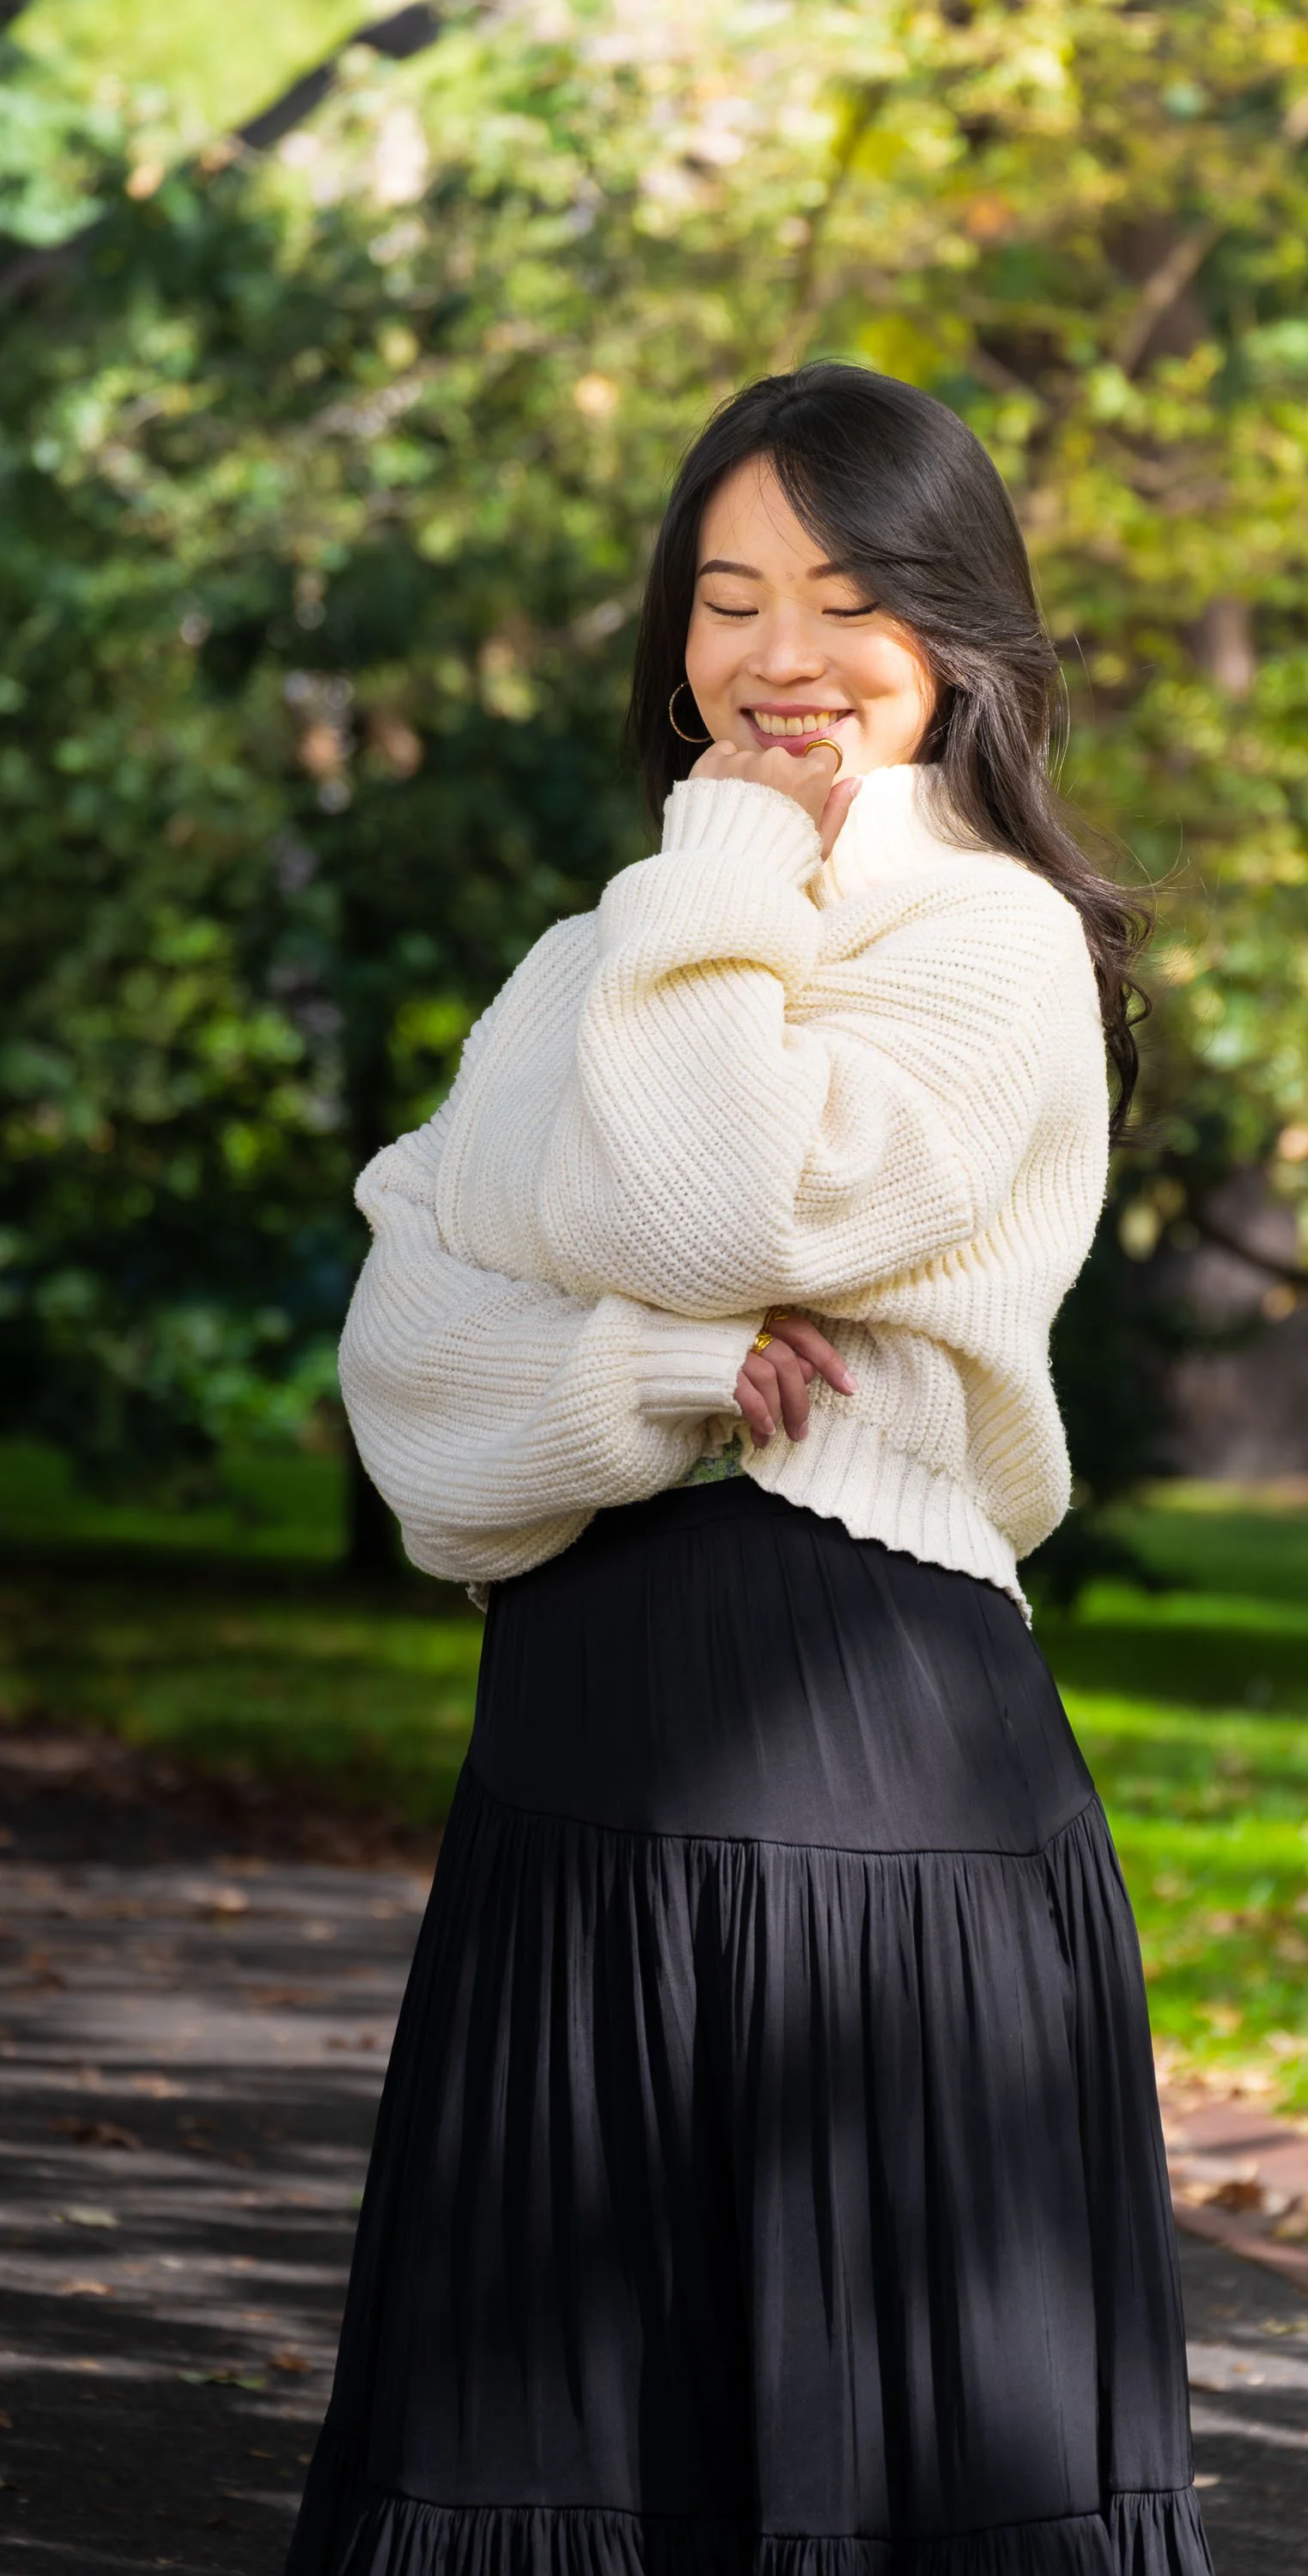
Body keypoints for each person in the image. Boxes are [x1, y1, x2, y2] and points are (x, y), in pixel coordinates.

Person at [285, 362, 1214, 2576]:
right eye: (728, 600)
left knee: (874, 2470)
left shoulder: (989, 944)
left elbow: (725, 1195)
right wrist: (661, 1373)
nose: (778, 658)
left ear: (954, 633)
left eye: (843, 596)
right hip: (569, 1805)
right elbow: (407, 1353)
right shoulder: (586, 969)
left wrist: (723, 876)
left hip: (870, 1810)